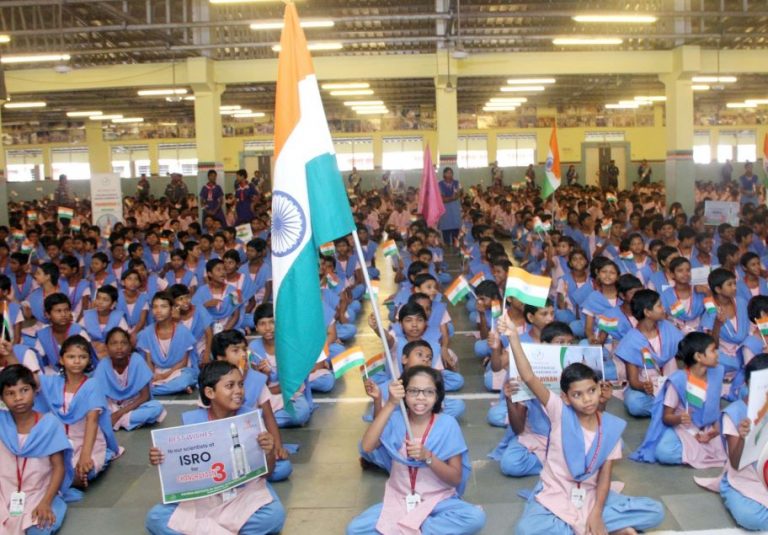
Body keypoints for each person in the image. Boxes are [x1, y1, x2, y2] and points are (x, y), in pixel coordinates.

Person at [501, 317, 664, 535]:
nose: (587, 400)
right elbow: (529, 376)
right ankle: (607, 527)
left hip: (590, 495)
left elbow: (605, 476)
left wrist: (596, 512)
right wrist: (513, 336)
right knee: (525, 530)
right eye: (577, 395)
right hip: (556, 494)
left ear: (600, 389)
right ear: (566, 398)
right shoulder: (559, 411)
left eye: (591, 391)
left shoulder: (610, 427)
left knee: (655, 511)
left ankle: (583, 524)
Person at [145, 361, 286, 535]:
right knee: (156, 517)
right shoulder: (193, 421)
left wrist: (269, 451)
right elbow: (181, 470)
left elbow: (267, 473)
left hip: (241, 494)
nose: (238, 391)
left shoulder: (251, 420)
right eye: (230, 386)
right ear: (210, 392)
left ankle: (205, 529)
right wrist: (160, 458)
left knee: (274, 516)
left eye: (240, 385)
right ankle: (224, 528)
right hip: (205, 497)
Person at [348, 366, 486, 535]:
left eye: (428, 392)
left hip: (437, 501)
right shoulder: (396, 419)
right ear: (403, 393)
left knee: (474, 517)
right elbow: (367, 446)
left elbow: (455, 478)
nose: (420, 397)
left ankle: (415, 526)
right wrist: (390, 403)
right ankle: (414, 526)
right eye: (413, 391)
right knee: (355, 529)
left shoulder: (447, 424)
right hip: (400, 500)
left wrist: (428, 457)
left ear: (437, 396)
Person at [36, 335, 121, 493]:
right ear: (61, 360)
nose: (77, 361)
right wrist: (8, 355)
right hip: (58, 443)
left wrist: (85, 455)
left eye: (82, 357)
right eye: (71, 357)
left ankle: (72, 477)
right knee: (39, 469)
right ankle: (69, 479)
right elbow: (26, 379)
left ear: (89, 360)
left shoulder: (92, 385)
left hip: (87, 442)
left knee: (86, 470)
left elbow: (93, 420)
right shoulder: (52, 382)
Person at [631, 332, 727, 468]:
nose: (717, 353)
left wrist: (715, 430)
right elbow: (666, 417)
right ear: (698, 356)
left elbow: (715, 406)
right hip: (684, 428)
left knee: (736, 438)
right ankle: (700, 451)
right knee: (664, 452)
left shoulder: (717, 372)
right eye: (712, 350)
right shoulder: (678, 380)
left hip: (707, 427)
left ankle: (696, 451)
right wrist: (680, 419)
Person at [210, 330, 294, 482]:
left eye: (244, 349)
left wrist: (277, 446)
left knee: (283, 468)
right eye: (235, 351)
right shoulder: (211, 383)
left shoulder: (256, 379)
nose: (243, 354)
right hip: (223, 445)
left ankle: (244, 476)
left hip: (254, 443)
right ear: (220, 358)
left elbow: (268, 417)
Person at [0, 364, 72, 534]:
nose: (18, 398)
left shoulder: (49, 424)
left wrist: (46, 502)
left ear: (35, 391)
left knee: (39, 528)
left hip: (41, 493)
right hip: (4, 493)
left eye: (24, 390)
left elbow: (58, 467)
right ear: (2, 398)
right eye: (10, 393)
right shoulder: (1, 423)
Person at [614, 289, 683, 417]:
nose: (663, 308)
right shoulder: (631, 340)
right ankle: (672, 408)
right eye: (659, 306)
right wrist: (644, 387)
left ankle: (669, 405)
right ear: (647, 312)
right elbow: (633, 381)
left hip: (671, 381)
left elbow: (685, 352)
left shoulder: (667, 327)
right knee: (634, 403)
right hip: (647, 387)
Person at [93, 327, 166, 431]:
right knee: (95, 412)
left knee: (156, 408)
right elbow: (98, 397)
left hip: (134, 405)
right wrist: (112, 412)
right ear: (107, 347)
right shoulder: (103, 365)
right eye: (114, 343)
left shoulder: (137, 360)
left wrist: (118, 414)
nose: (119, 347)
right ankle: (126, 422)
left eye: (124, 343)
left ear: (130, 346)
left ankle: (115, 423)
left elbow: (145, 396)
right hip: (112, 406)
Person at [135, 292, 197, 396]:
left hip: (179, 371)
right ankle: (175, 388)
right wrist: (153, 376)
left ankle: (169, 387)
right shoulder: (146, 333)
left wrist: (165, 376)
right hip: (157, 373)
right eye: (155, 307)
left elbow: (183, 362)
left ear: (172, 309)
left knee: (184, 379)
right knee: (140, 382)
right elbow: (149, 362)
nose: (158, 311)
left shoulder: (182, 331)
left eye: (163, 306)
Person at [437, 167, 462, 246]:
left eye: (451, 173)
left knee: (456, 236)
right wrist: (452, 198)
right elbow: (441, 199)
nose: (449, 174)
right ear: (444, 174)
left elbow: (458, 194)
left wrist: (450, 198)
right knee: (446, 235)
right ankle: (447, 251)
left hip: (455, 211)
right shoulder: (439, 184)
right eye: (447, 173)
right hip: (445, 212)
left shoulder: (457, 183)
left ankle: (456, 251)